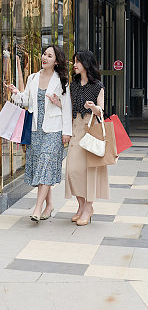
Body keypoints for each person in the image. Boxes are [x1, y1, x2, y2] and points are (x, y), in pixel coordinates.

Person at [8, 45, 72, 223]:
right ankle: (49, 204)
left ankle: (37, 208)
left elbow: (67, 107)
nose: (45, 58)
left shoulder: (62, 81)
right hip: (36, 129)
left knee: (45, 164)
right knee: (41, 167)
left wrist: (67, 132)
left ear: (56, 61)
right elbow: (27, 100)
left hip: (54, 129)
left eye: (49, 56)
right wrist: (16, 93)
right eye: (44, 54)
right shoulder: (33, 77)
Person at [65, 50, 109, 226]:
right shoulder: (73, 85)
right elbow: (68, 106)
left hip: (90, 130)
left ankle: (87, 208)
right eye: (74, 61)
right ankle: (83, 206)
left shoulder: (97, 86)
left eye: (78, 62)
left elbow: (101, 111)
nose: (74, 64)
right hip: (76, 130)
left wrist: (93, 107)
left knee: (89, 172)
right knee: (72, 171)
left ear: (86, 64)